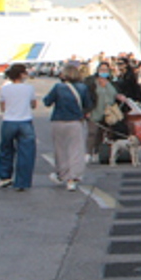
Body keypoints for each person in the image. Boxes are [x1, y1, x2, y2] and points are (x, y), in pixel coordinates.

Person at [43, 63, 92, 191]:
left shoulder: (58, 87)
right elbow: (88, 104)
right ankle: (73, 178)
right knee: (75, 150)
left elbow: (47, 102)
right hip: (75, 122)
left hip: (58, 121)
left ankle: (62, 174)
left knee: (60, 150)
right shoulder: (83, 88)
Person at [0, 63, 39, 190]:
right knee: (26, 153)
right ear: (21, 75)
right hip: (25, 121)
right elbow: (33, 105)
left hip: (9, 121)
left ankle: (5, 177)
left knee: (6, 149)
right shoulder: (29, 88)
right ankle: (22, 182)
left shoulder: (5, 89)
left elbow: (3, 107)